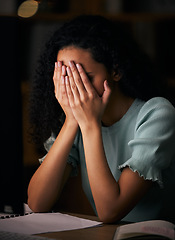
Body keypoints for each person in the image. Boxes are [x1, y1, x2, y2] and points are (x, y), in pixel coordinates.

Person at [27, 15, 175, 223]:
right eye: (66, 80)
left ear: (115, 71)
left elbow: (110, 211)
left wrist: (89, 124)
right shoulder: (74, 118)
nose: (75, 91)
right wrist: (71, 122)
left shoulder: (157, 114)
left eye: (84, 78)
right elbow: (37, 202)